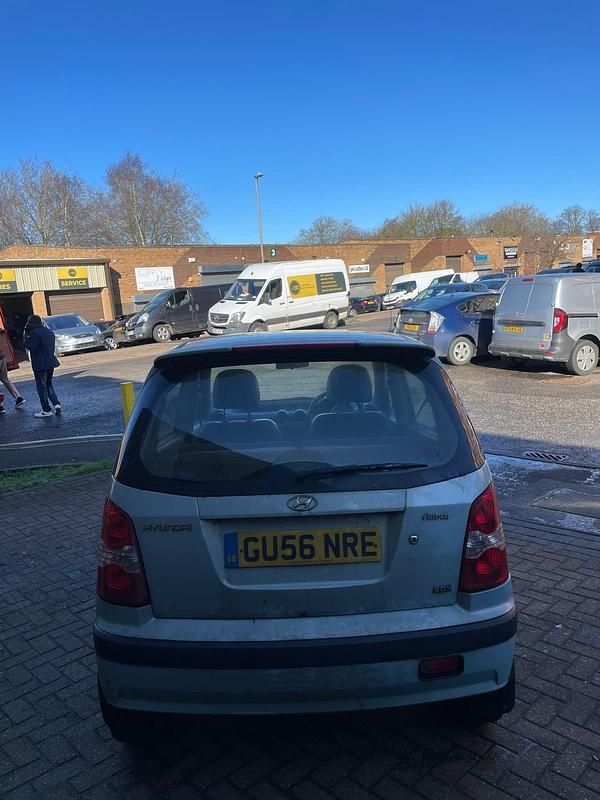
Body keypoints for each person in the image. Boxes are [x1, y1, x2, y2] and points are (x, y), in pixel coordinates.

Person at [23, 315, 61, 418]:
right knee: (48, 384)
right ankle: (56, 404)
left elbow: (32, 347)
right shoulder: (49, 332)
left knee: (41, 387)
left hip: (40, 364)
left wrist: (26, 338)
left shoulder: (35, 333)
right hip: (50, 362)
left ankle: (46, 409)